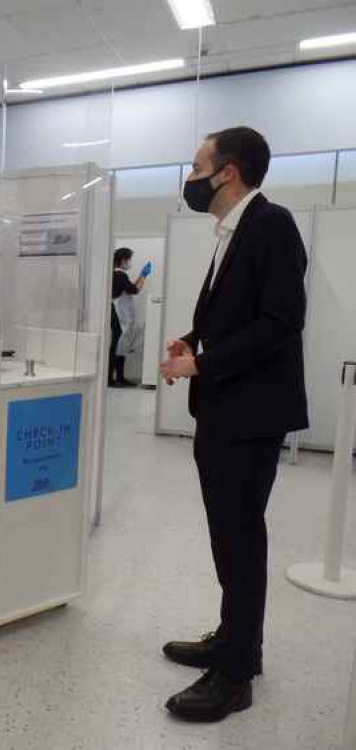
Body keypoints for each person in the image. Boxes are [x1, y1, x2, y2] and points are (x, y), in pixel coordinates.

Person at [160, 127, 308, 722]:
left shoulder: (271, 223)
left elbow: (280, 321)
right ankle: (232, 637)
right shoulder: (231, 231)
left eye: (197, 165)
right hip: (224, 410)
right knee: (228, 536)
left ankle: (238, 673)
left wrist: (204, 361)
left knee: (241, 540)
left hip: (251, 415)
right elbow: (234, 314)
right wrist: (192, 340)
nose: (190, 176)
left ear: (228, 172)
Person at [110, 248, 150, 387]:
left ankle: (118, 378)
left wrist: (141, 275)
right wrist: (144, 276)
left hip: (117, 315)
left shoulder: (116, 275)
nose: (129, 263)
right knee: (118, 346)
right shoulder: (120, 275)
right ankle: (114, 379)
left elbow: (131, 287)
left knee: (119, 346)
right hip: (119, 316)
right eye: (129, 260)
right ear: (123, 260)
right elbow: (135, 290)